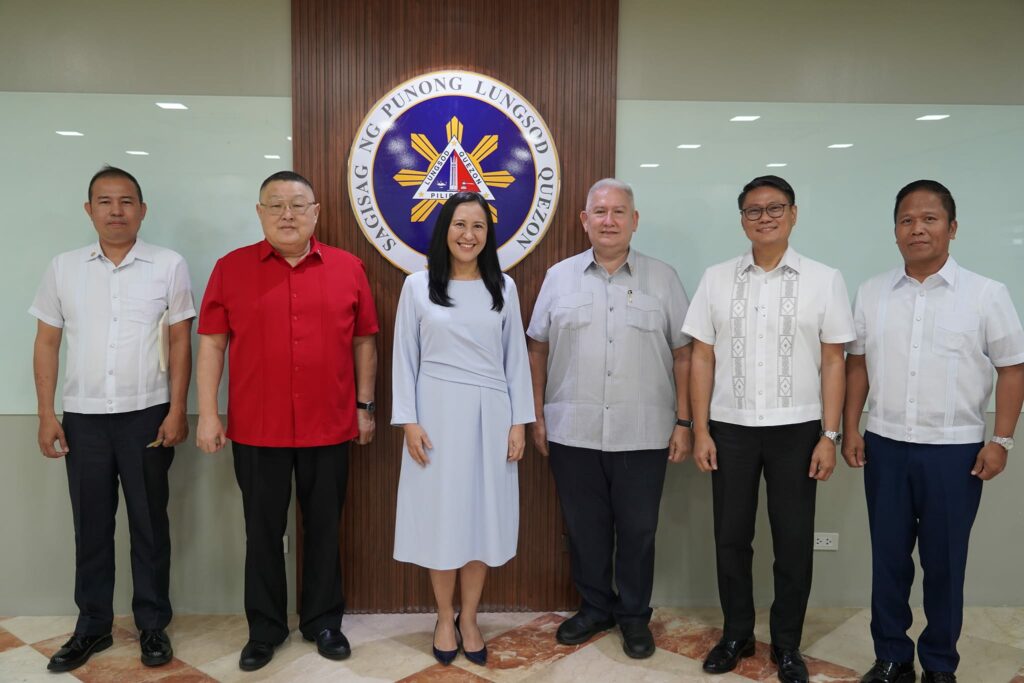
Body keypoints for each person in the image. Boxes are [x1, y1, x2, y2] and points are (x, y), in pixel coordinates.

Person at [195, 171, 378, 671]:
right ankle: (265, 629)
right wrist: (208, 413)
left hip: (330, 424)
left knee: (324, 529)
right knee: (262, 532)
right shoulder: (231, 268)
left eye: (298, 204)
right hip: (257, 429)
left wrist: (364, 407)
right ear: (259, 213)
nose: (287, 214)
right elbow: (212, 343)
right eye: (275, 205)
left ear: (316, 212)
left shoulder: (348, 268)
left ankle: (323, 622)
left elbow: (364, 340)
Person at [843, 180, 1024, 683]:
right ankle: (892, 657)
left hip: (954, 452)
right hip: (885, 445)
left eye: (929, 218)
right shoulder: (872, 293)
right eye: (907, 220)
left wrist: (1001, 440)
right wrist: (850, 428)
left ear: (952, 227)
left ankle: (941, 664)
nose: (917, 229)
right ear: (895, 231)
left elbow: (1013, 368)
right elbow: (857, 365)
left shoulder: (986, 294)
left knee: (945, 564)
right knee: (889, 560)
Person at [684, 175, 855, 683]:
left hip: (797, 431)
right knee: (731, 538)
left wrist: (829, 435)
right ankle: (736, 634)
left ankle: (787, 644)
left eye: (775, 208)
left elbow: (834, 361)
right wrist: (701, 430)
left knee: (794, 542)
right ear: (742, 220)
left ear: (793, 214)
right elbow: (701, 357)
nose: (765, 217)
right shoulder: (716, 278)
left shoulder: (824, 279)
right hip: (730, 428)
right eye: (753, 210)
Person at [30, 166, 195, 672]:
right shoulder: (63, 267)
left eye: (126, 201)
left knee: (149, 526)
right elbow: (47, 342)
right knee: (91, 527)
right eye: (105, 201)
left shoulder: (168, 265)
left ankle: (152, 626)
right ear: (89, 210)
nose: (116, 211)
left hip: (147, 416)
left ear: (142, 210)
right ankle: (92, 627)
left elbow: (181, 341)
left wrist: (177, 409)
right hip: (83, 419)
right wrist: (46, 414)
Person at [526, 178, 692, 660]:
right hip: (572, 430)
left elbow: (685, 354)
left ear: (634, 220)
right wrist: (536, 415)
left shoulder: (663, 278)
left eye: (619, 212)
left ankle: (634, 616)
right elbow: (537, 348)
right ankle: (595, 608)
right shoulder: (559, 277)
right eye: (599, 212)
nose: (609, 220)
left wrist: (684, 422)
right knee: (584, 529)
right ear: (584, 220)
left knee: (638, 531)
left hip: (643, 433)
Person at [391, 191, 534, 666]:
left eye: (478, 226)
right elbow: (404, 357)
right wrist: (409, 421)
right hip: (435, 416)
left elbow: (516, 359)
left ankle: (469, 617)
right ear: (444, 231)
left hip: (491, 414)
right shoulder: (417, 286)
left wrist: (518, 423)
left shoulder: (503, 287)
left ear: (488, 235)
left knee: (480, 518)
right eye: (459, 225)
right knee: (443, 518)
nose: (468, 235)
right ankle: (442, 616)